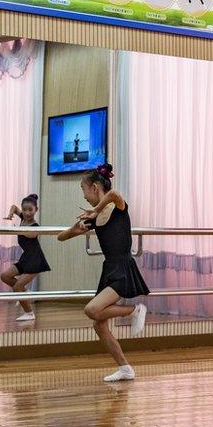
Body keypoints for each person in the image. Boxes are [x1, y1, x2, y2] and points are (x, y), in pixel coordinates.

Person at [58, 164, 148, 382]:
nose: (84, 195)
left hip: (123, 268)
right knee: (99, 323)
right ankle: (125, 368)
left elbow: (114, 194)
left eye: (84, 189)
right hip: (109, 269)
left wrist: (96, 209)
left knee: (92, 309)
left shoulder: (118, 207)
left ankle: (134, 311)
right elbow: (60, 237)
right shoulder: (92, 217)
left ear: (95, 187)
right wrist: (74, 230)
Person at [2, 194, 51, 322]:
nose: (27, 213)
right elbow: (13, 206)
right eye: (25, 210)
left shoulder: (35, 226)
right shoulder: (23, 217)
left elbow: (31, 235)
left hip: (35, 260)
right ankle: (24, 292)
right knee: (5, 276)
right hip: (26, 258)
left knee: (16, 287)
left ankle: (29, 313)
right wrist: (10, 214)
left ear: (36, 210)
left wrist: (16, 230)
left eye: (30, 210)